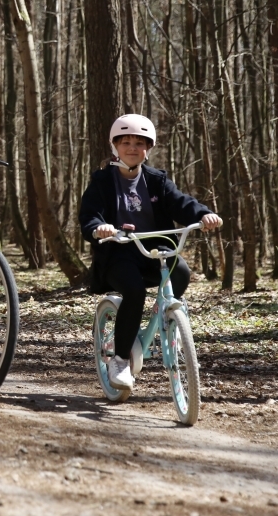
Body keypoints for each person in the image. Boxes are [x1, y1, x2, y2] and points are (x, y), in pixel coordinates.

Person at [78, 114, 223, 392]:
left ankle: (168, 318)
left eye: (139, 143)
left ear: (148, 148)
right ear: (115, 146)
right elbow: (89, 215)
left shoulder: (157, 181)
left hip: (155, 249)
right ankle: (120, 360)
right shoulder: (102, 181)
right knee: (134, 291)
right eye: (126, 142)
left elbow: (181, 203)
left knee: (181, 272)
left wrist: (203, 215)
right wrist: (99, 228)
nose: (132, 148)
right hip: (118, 253)